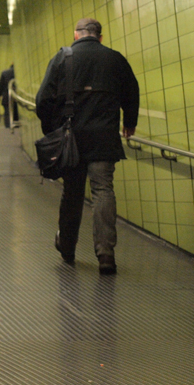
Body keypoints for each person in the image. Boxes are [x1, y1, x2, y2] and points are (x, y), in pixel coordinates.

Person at [35, 18, 139, 275]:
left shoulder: (62, 58)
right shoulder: (115, 58)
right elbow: (132, 91)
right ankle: (106, 254)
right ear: (100, 37)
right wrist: (130, 122)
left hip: (72, 139)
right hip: (104, 136)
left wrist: (52, 130)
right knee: (103, 190)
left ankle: (67, 246)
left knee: (72, 192)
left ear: (76, 35)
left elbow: (43, 99)